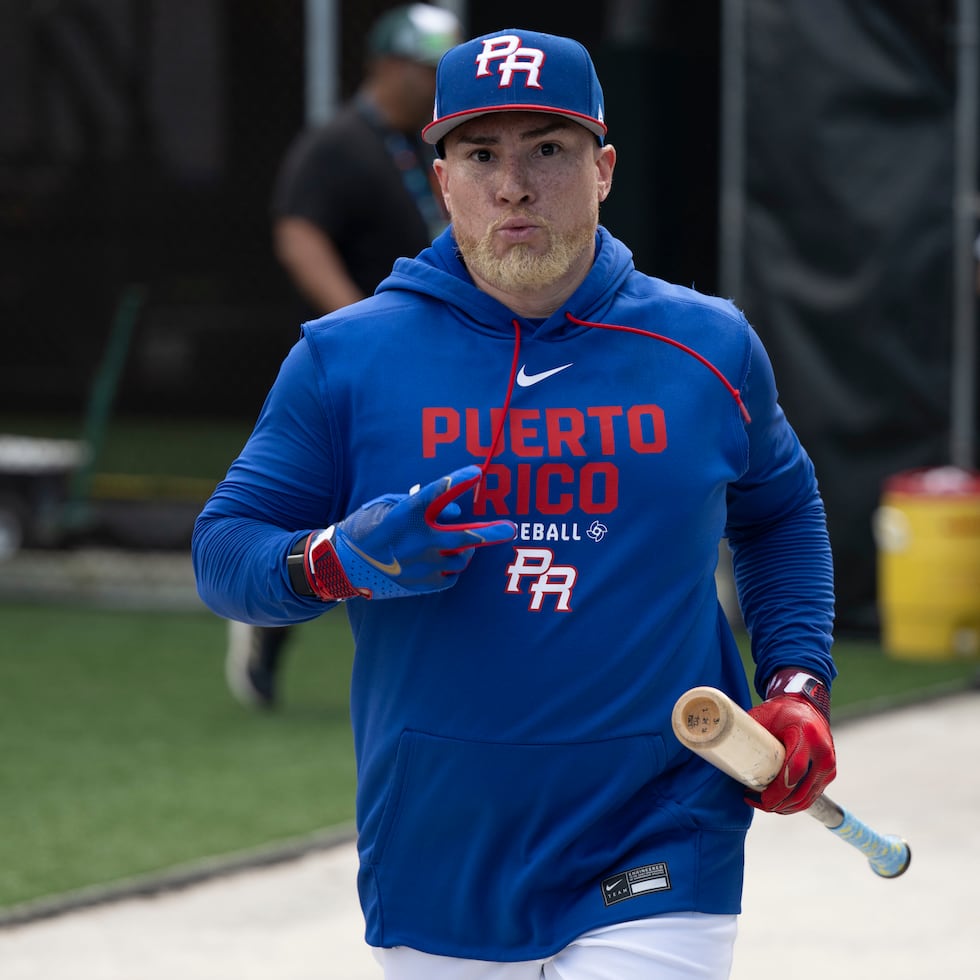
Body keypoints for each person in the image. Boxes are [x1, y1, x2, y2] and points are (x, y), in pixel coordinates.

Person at [194, 27, 837, 979]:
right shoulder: (345, 358)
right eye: (482, 154)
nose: (515, 184)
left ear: (604, 167)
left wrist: (795, 683)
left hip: (659, 829)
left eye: (549, 149)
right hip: (438, 843)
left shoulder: (709, 347)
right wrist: (335, 563)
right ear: (442, 176)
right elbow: (225, 554)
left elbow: (781, 512)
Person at [224, 3, 462, 708]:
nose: (435, 84)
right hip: (357, 359)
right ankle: (265, 627)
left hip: (431, 353)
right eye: (428, 69)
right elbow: (299, 235)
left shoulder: (428, 144)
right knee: (322, 509)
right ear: (388, 65)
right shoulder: (338, 143)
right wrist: (359, 322)